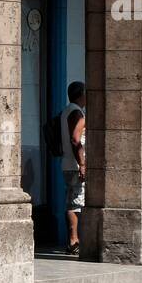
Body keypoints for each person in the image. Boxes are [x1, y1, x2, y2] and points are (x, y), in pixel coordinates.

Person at [60, 81, 86, 256]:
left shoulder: (66, 110)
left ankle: (73, 240)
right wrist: (83, 164)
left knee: (72, 201)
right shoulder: (77, 112)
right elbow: (76, 139)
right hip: (75, 165)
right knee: (75, 204)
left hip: (67, 163)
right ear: (80, 95)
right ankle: (74, 241)